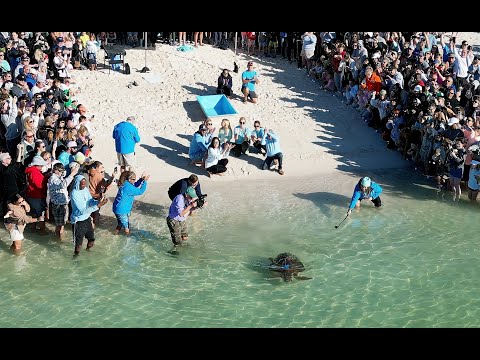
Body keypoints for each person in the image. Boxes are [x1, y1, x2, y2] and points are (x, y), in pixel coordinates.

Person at [70, 174, 108, 256]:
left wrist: (99, 201)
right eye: (82, 184)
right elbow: (82, 211)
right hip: (78, 221)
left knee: (91, 241)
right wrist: (98, 205)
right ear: (77, 183)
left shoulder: (85, 190)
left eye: (84, 183)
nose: (84, 185)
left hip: (87, 219)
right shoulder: (74, 193)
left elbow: (90, 202)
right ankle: (75, 258)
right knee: (78, 245)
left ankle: (87, 253)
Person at [47, 161, 78, 239]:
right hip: (58, 205)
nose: (62, 173)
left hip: (63, 204)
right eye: (61, 171)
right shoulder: (52, 179)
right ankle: (58, 239)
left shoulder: (59, 177)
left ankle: (60, 236)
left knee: (62, 224)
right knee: (59, 225)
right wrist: (72, 174)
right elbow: (63, 185)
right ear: (56, 170)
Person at [112, 170, 149, 235]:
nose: (135, 180)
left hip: (116, 208)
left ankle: (116, 232)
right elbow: (140, 191)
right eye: (134, 179)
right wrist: (145, 182)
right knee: (127, 227)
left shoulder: (125, 183)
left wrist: (141, 179)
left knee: (120, 222)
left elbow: (135, 185)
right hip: (122, 210)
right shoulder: (128, 187)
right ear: (129, 179)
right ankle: (127, 239)